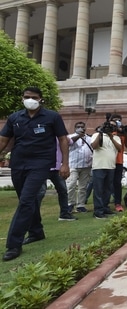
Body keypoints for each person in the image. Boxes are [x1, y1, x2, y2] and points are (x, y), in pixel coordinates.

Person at [0, 87, 70, 261]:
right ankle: (36, 231)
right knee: (26, 200)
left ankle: (13, 244)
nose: (29, 100)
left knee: (26, 201)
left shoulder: (52, 117)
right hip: (18, 163)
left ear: (41, 99)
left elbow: (63, 139)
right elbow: (4, 139)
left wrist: (65, 164)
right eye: (26, 97)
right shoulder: (15, 117)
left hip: (41, 163)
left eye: (33, 97)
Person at [37, 138, 76, 221]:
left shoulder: (59, 136)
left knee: (63, 190)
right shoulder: (43, 135)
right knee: (40, 192)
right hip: (43, 167)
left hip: (56, 168)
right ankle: (35, 216)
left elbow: (70, 141)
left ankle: (64, 214)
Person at [91, 119, 122, 218]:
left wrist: (111, 137)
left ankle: (105, 208)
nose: (110, 128)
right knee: (98, 190)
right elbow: (94, 146)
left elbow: (119, 148)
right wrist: (101, 133)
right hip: (99, 166)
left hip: (111, 166)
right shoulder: (96, 135)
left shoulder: (116, 137)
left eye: (113, 126)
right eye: (109, 126)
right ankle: (98, 211)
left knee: (108, 189)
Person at [67, 122, 93, 213]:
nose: (80, 128)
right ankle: (70, 204)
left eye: (82, 127)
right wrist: (78, 136)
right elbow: (68, 143)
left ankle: (81, 205)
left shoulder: (89, 138)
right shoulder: (70, 137)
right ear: (75, 128)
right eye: (78, 127)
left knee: (83, 187)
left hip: (86, 165)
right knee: (71, 184)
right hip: (73, 164)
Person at [109, 114, 127, 212]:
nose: (117, 121)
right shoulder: (108, 132)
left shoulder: (122, 133)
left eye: (119, 120)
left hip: (119, 161)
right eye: (115, 120)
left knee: (117, 183)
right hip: (108, 160)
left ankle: (118, 203)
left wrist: (125, 133)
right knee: (107, 183)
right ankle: (105, 203)